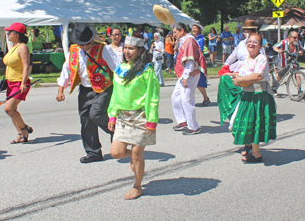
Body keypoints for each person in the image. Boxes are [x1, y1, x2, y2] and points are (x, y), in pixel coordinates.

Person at [56, 23, 120, 163]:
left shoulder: (104, 48)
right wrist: (61, 89)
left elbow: (117, 67)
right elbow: (66, 69)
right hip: (85, 89)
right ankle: (94, 153)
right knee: (86, 121)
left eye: (87, 43)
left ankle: (115, 130)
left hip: (103, 88)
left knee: (95, 114)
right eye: (82, 44)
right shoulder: (73, 50)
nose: (85, 47)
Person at [108, 35, 160, 200]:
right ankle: (133, 158)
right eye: (125, 48)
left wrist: (152, 120)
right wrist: (112, 116)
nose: (127, 51)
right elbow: (115, 94)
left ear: (139, 50)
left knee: (137, 155)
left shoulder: (147, 70)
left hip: (141, 117)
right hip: (123, 117)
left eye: (131, 48)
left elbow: (153, 96)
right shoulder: (120, 69)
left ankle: (137, 187)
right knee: (116, 153)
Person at [225, 33, 276, 163]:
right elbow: (246, 74)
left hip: (258, 95)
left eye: (255, 42)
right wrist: (232, 75)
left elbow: (257, 76)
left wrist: (240, 80)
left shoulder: (261, 59)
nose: (251, 44)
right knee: (243, 122)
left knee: (254, 123)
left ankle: (256, 153)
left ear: (260, 46)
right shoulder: (248, 58)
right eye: (249, 41)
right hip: (248, 93)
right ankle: (250, 147)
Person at [218, 20, 258, 127]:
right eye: (245, 31)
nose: (247, 33)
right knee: (225, 81)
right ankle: (233, 112)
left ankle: (241, 115)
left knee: (244, 93)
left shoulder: (257, 44)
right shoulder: (241, 43)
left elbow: (260, 59)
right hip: (239, 69)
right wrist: (225, 64)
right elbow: (233, 55)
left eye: (249, 31)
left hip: (250, 70)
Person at [171, 22, 207, 135]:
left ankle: (194, 127)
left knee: (187, 100)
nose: (174, 35)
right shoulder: (185, 40)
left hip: (189, 74)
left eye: (175, 32)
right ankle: (183, 121)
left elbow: (190, 61)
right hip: (185, 74)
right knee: (175, 97)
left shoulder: (189, 40)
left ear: (182, 30)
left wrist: (185, 77)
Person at [2, 23, 33, 144]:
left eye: (10, 32)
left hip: (20, 83)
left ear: (17, 34)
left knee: (8, 109)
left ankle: (24, 129)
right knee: (13, 110)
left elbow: (26, 66)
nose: (8, 34)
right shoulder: (12, 47)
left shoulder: (23, 47)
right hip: (10, 83)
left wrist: (23, 83)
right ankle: (21, 133)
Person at [191, 22, 210, 106]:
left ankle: (206, 98)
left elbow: (199, 49)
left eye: (195, 28)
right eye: (193, 28)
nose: (194, 29)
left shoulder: (200, 38)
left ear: (199, 30)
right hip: (190, 61)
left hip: (198, 61)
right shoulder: (190, 38)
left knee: (199, 81)